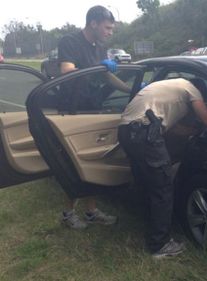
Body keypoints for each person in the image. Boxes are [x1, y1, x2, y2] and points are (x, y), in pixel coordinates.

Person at [118, 78, 207, 258]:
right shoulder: (192, 89)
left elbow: (174, 128)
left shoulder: (171, 85)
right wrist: (203, 126)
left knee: (146, 182)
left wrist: (193, 132)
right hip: (146, 132)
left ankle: (150, 227)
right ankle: (159, 244)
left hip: (126, 131)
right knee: (163, 187)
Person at [57, 5, 124, 229]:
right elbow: (67, 70)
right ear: (93, 23)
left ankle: (91, 211)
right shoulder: (70, 41)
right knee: (73, 162)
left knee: (94, 159)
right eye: (107, 27)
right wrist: (98, 67)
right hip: (73, 111)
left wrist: (130, 88)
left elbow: (106, 77)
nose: (110, 32)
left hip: (94, 108)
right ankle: (67, 214)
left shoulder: (100, 47)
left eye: (112, 29)